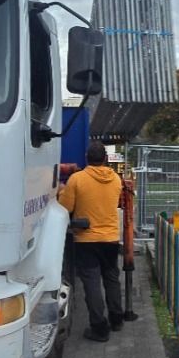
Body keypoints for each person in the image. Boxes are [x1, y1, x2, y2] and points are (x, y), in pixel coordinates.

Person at [58, 142, 124, 342]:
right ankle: (117, 319)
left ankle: (99, 328)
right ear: (105, 159)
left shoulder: (77, 179)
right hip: (111, 238)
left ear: (87, 158)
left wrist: (62, 190)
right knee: (111, 279)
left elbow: (64, 207)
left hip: (86, 240)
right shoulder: (116, 179)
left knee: (92, 283)